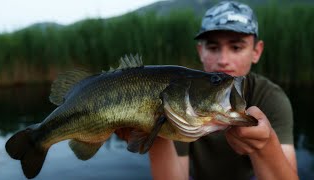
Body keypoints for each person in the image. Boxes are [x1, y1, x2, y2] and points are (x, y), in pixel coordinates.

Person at [117, 1, 298, 180]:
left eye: (236, 47)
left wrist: (265, 146)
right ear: (200, 51)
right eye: (213, 47)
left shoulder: (270, 97)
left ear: (256, 51)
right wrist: (154, 132)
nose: (223, 60)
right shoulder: (180, 96)